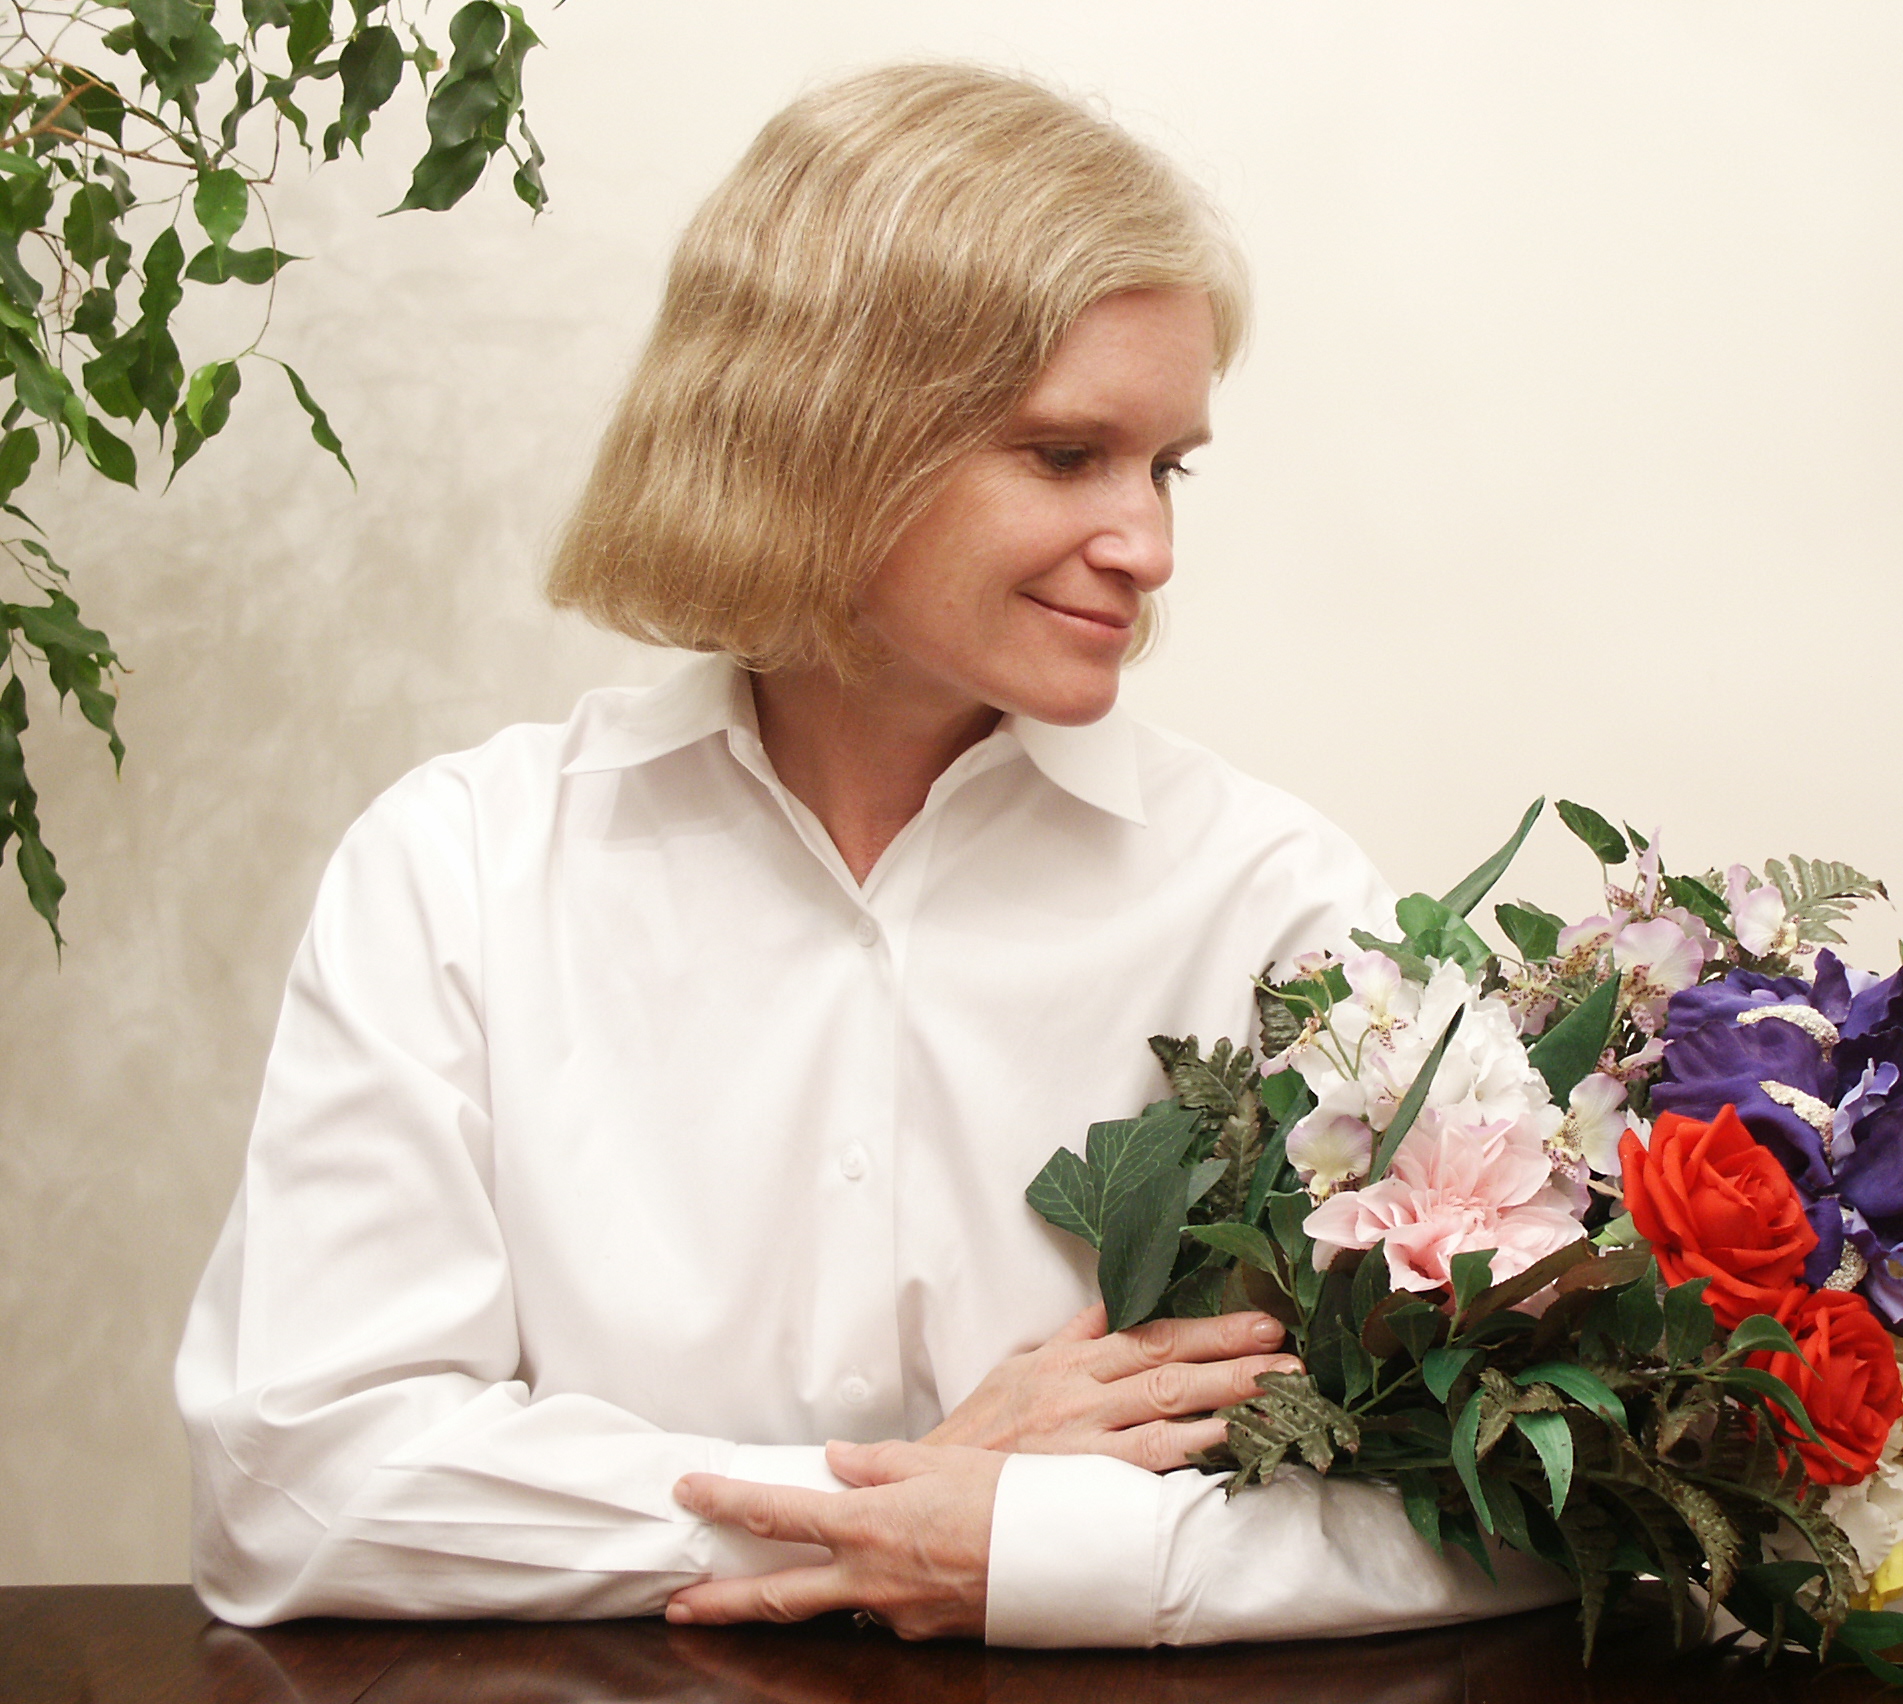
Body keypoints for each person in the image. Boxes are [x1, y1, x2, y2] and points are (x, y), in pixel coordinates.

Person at [175, 62, 1571, 1645]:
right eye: (1066, 455)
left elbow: (1536, 1512)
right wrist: (903, 1506)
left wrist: (1023, 1549)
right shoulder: (464, 869)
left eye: (1166, 465)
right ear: (824, 435)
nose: (1151, 546)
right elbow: (298, 1488)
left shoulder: (1268, 899)